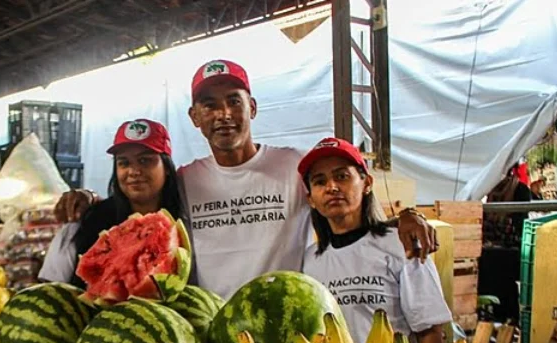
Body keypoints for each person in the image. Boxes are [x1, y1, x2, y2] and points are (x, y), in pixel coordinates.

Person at [54, 59, 436, 299]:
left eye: (233, 101)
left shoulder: (294, 166)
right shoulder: (185, 180)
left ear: (251, 108)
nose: (223, 114)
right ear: (195, 117)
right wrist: (87, 197)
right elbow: (137, 202)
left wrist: (405, 216)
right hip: (209, 326)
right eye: (210, 105)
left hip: (285, 321)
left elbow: (345, 203)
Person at [299, 137, 452, 343]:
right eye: (320, 181)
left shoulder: (402, 245)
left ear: (367, 183)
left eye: (342, 176)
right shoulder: (310, 261)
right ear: (310, 198)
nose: (332, 187)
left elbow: (430, 334)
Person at [39, 119, 185, 287]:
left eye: (145, 160)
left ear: (166, 166)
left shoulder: (187, 219)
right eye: (124, 163)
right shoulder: (82, 225)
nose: (134, 171)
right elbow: (50, 290)